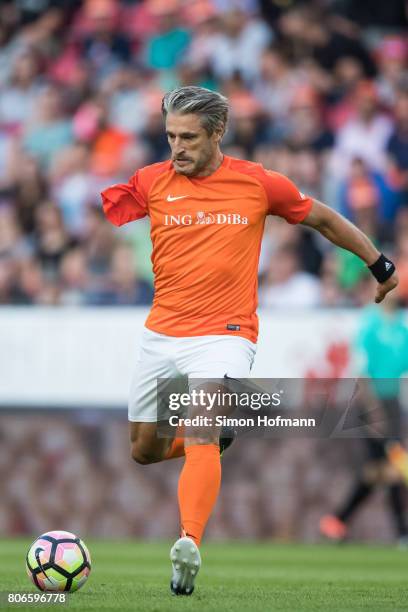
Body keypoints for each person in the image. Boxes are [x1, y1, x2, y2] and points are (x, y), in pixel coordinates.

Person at [100, 86, 398, 596]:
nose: (177, 148)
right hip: (161, 332)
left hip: (225, 332)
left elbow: (324, 218)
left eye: (189, 137)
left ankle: (188, 543)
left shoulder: (258, 184)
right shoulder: (152, 181)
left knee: (200, 424)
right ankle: (218, 439)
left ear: (218, 133)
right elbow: (110, 212)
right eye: (170, 136)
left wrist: (379, 264)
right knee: (144, 450)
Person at [320, 290, 408, 544]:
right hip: (371, 402)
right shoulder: (370, 322)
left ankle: (336, 521)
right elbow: (361, 371)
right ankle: (402, 533)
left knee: (377, 471)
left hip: (391, 402)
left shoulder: (401, 328)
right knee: (391, 467)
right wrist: (374, 411)